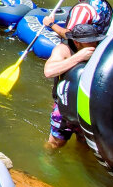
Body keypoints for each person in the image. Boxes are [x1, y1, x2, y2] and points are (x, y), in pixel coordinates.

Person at [43, 14, 106, 149]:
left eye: (95, 40)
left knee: (85, 145)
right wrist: (78, 57)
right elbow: (48, 72)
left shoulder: (99, 49)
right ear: (77, 43)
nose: (94, 44)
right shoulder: (63, 49)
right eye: (90, 41)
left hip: (88, 107)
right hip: (64, 104)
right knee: (55, 144)